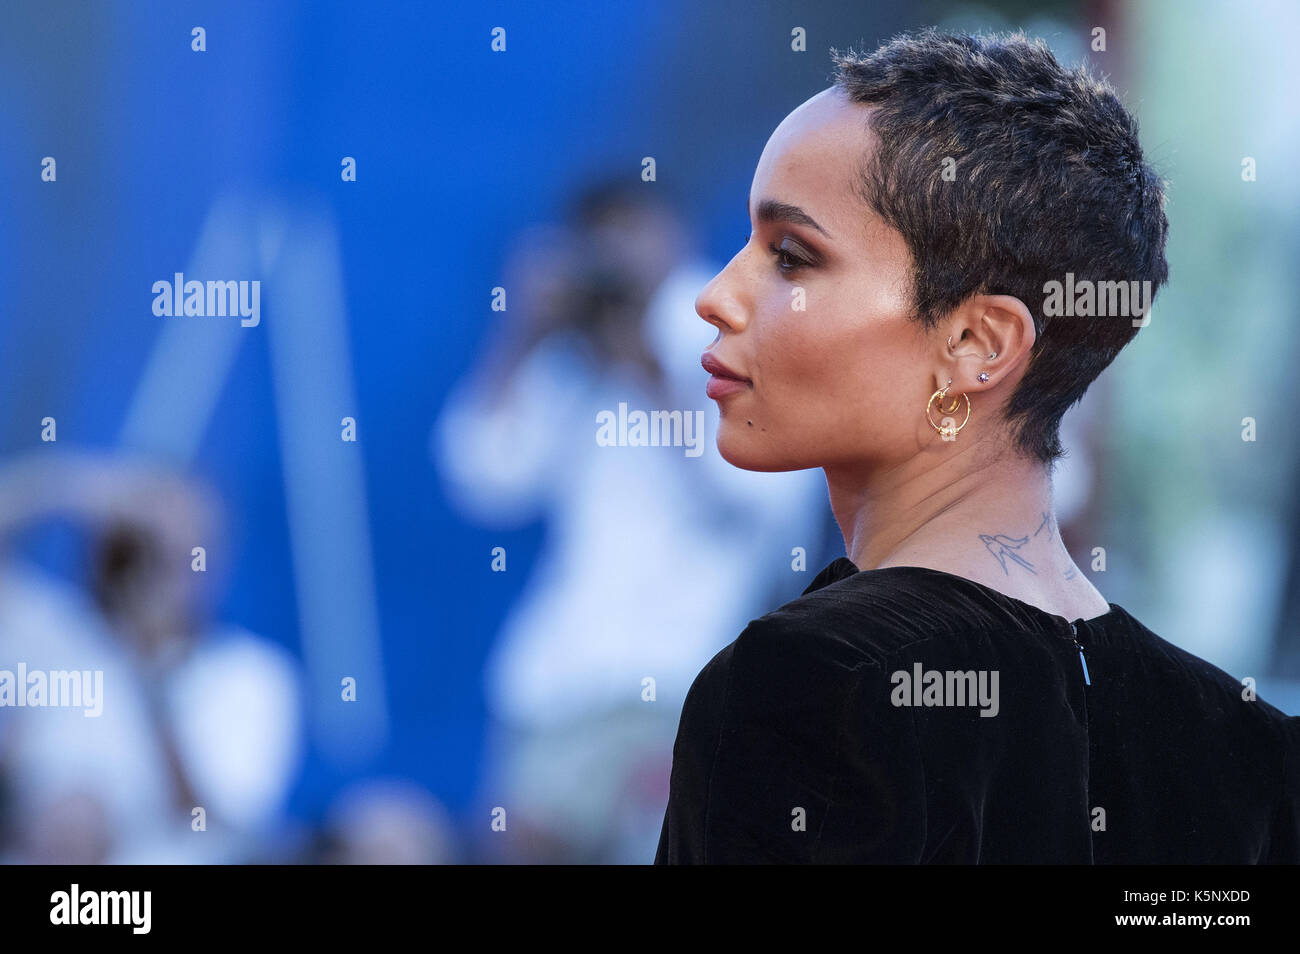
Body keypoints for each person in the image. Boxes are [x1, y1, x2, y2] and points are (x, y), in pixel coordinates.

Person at [656, 29, 1300, 864]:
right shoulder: (1251, 747)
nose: (716, 297)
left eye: (791, 256)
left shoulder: (817, 682)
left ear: (977, 344)